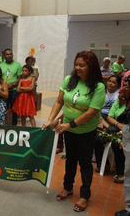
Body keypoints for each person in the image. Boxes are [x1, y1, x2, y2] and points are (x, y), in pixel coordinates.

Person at [42, 51, 105, 212]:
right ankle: (67, 187)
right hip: (69, 129)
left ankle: (84, 195)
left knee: (85, 163)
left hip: (86, 131)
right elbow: (58, 101)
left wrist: (68, 125)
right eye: (76, 64)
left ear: (91, 66)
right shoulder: (69, 80)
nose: (77, 68)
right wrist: (50, 119)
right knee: (70, 159)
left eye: (81, 65)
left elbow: (91, 112)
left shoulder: (98, 87)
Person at [94, 75, 121, 172]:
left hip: (112, 119)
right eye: (109, 81)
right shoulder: (102, 93)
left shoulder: (119, 95)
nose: (110, 83)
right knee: (95, 137)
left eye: (114, 82)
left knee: (99, 138)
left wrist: (109, 126)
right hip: (101, 117)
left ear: (118, 85)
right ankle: (102, 165)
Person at [115, 78, 130, 216]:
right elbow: (122, 99)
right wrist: (125, 93)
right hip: (128, 126)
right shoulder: (128, 76)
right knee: (129, 170)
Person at [105, 97, 127, 184]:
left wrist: (121, 132)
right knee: (98, 139)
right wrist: (118, 125)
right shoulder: (119, 101)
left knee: (117, 143)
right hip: (118, 127)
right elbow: (109, 117)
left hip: (126, 130)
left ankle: (121, 173)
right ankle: (104, 165)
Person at [0, 48, 22, 126]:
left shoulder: (17, 65)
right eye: (7, 54)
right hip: (4, 89)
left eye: (11, 54)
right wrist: (5, 85)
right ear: (4, 56)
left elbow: (19, 77)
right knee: (3, 106)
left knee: (14, 108)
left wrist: (13, 84)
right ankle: (3, 123)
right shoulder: (1, 65)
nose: (9, 56)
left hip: (13, 90)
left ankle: (13, 124)